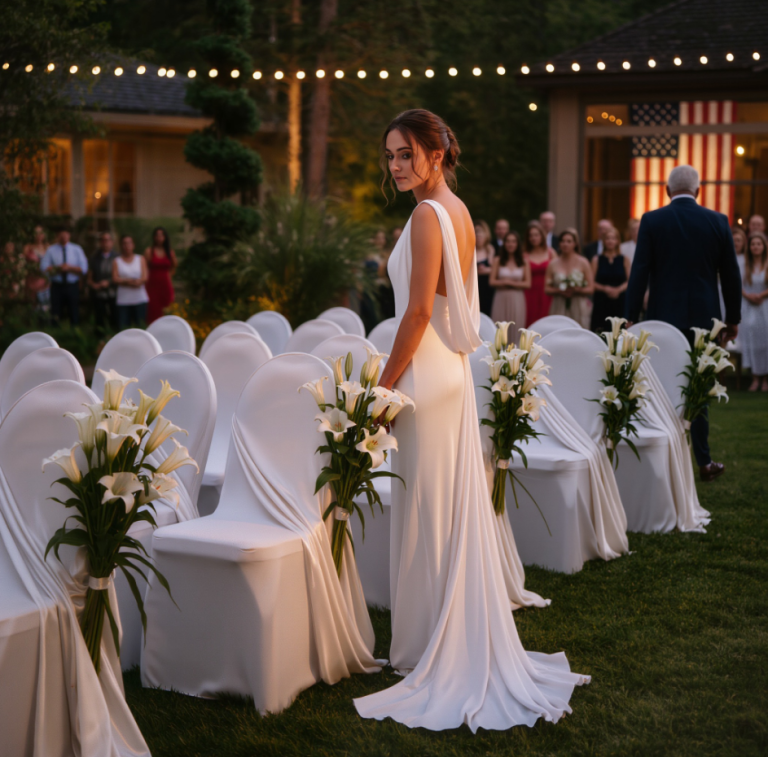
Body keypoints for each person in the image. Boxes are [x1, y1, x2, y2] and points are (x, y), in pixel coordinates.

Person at [355, 107, 587, 731]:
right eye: (391, 156)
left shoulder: (430, 216)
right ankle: (432, 634)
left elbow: (418, 316)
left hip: (426, 374)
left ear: (435, 153)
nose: (396, 166)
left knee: (430, 506)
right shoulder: (455, 210)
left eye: (406, 154)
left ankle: (429, 644)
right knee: (440, 504)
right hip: (447, 375)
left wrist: (383, 388)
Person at [626, 165, 741, 482]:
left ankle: (661, 458)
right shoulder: (717, 221)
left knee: (662, 383)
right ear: (698, 191)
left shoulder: (652, 220)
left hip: (663, 316)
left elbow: (640, 272)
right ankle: (703, 461)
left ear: (667, 191)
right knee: (699, 385)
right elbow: (731, 275)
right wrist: (732, 320)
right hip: (706, 319)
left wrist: (629, 316)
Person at [40, 224, 88, 326]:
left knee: (73, 311)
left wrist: (69, 268)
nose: (64, 237)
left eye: (66, 234)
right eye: (61, 235)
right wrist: (58, 268)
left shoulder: (77, 249)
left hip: (72, 285)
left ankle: (74, 334)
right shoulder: (51, 250)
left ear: (69, 235)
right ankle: (55, 335)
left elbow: (84, 268)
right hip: (57, 286)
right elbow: (43, 267)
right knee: (56, 312)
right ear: (57, 236)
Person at [545, 228, 594, 328]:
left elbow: (591, 288)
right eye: (562, 241)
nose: (565, 244)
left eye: (569, 241)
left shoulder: (583, 262)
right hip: (559, 304)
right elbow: (546, 289)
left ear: (575, 244)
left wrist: (577, 290)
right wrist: (559, 291)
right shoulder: (553, 263)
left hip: (578, 304)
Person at [490, 230, 530, 341]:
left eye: (513, 241)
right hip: (501, 297)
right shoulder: (498, 260)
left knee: (516, 327)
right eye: (507, 241)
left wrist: (509, 283)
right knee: (499, 329)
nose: (510, 244)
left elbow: (527, 283)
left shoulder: (524, 261)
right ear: (504, 243)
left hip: (517, 298)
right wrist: (504, 283)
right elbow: (492, 281)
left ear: (518, 244)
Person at [741, 232, 768, 392]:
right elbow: (738, 284)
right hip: (750, 307)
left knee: (766, 343)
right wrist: (748, 295)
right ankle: (755, 378)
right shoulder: (744, 265)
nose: (756, 247)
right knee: (753, 343)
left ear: (764, 246)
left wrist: (761, 295)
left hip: (765, 306)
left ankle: (765, 379)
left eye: (759, 244)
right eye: (753, 244)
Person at [590, 227, 630, 332]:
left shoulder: (624, 259)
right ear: (603, 241)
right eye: (607, 238)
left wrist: (619, 289)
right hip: (601, 301)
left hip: (620, 301)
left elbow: (630, 281)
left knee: (619, 332)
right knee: (601, 331)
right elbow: (591, 282)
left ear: (617, 241)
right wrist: (605, 288)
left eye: (613, 238)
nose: (610, 241)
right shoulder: (596, 259)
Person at [523, 220, 556, 326]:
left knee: (547, 321)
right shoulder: (525, 254)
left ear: (542, 236)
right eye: (531, 235)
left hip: (547, 293)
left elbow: (558, 271)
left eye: (536, 235)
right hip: (529, 293)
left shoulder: (551, 252)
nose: (533, 238)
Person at [113, 234, 149, 329]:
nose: (127, 246)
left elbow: (145, 277)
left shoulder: (140, 259)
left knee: (140, 327)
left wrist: (136, 282)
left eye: (129, 243)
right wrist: (130, 282)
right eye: (124, 243)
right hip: (123, 300)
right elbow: (115, 278)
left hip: (139, 299)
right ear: (121, 245)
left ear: (133, 245)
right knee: (123, 328)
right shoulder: (117, 261)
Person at [87, 231, 118, 337]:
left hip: (114, 293)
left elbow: (121, 275)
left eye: (107, 240)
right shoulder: (94, 258)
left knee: (114, 319)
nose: (105, 243)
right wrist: (94, 285)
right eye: (103, 240)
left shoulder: (117, 257)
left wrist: (108, 282)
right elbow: (89, 278)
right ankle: (100, 341)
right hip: (98, 294)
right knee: (99, 319)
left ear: (112, 242)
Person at [144, 226, 177, 325]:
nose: (159, 238)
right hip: (152, 285)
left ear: (165, 237)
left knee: (167, 309)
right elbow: (144, 267)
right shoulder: (149, 251)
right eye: (157, 235)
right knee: (153, 310)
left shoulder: (170, 252)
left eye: (162, 235)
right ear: (154, 237)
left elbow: (174, 266)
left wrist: (169, 275)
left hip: (165, 285)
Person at [23, 225, 50, 309]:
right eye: (36, 233)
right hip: (32, 280)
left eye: (40, 233)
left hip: (45, 281)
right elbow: (23, 263)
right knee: (32, 306)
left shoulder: (48, 247)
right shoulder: (28, 248)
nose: (38, 235)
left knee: (45, 307)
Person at [474, 220, 495, 315]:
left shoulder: (490, 250)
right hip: (473, 289)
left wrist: (487, 270)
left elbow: (497, 269)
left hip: (487, 290)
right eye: (476, 232)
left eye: (481, 232)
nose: (478, 235)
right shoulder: (469, 250)